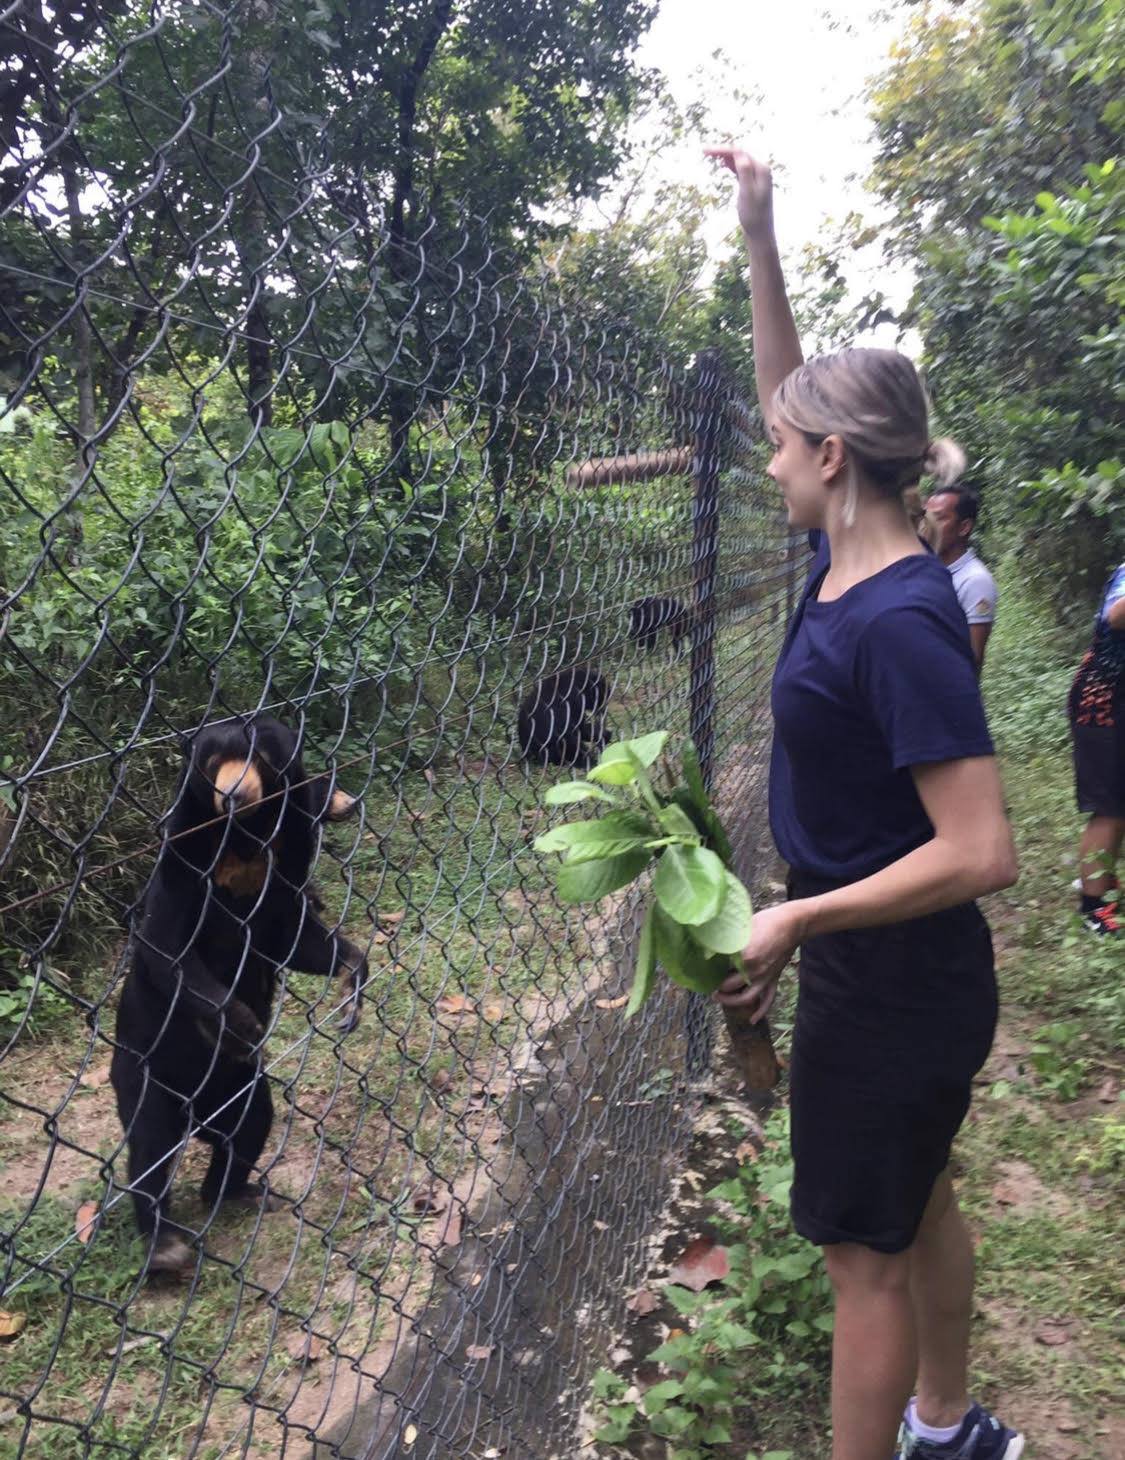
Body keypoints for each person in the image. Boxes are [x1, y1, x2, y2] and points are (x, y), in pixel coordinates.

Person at [704, 146, 1020, 1460]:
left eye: (779, 446)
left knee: (859, 1262)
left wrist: (794, 923)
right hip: (892, 975)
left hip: (888, 983)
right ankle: (948, 1430)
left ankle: (913, 1434)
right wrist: (760, 237)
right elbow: (791, 390)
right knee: (914, 1195)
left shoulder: (895, 619)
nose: (765, 458)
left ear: (832, 459)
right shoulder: (848, 553)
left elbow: (984, 849)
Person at [1067, 560, 1125, 934]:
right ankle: (1093, 908)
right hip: (1102, 702)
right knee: (1110, 806)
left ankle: (1102, 881)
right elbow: (1117, 615)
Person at [925, 485, 997, 675]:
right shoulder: (925, 570)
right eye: (926, 518)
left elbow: (972, 660)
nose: (927, 527)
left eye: (939, 518)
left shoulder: (975, 581)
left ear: (964, 527)